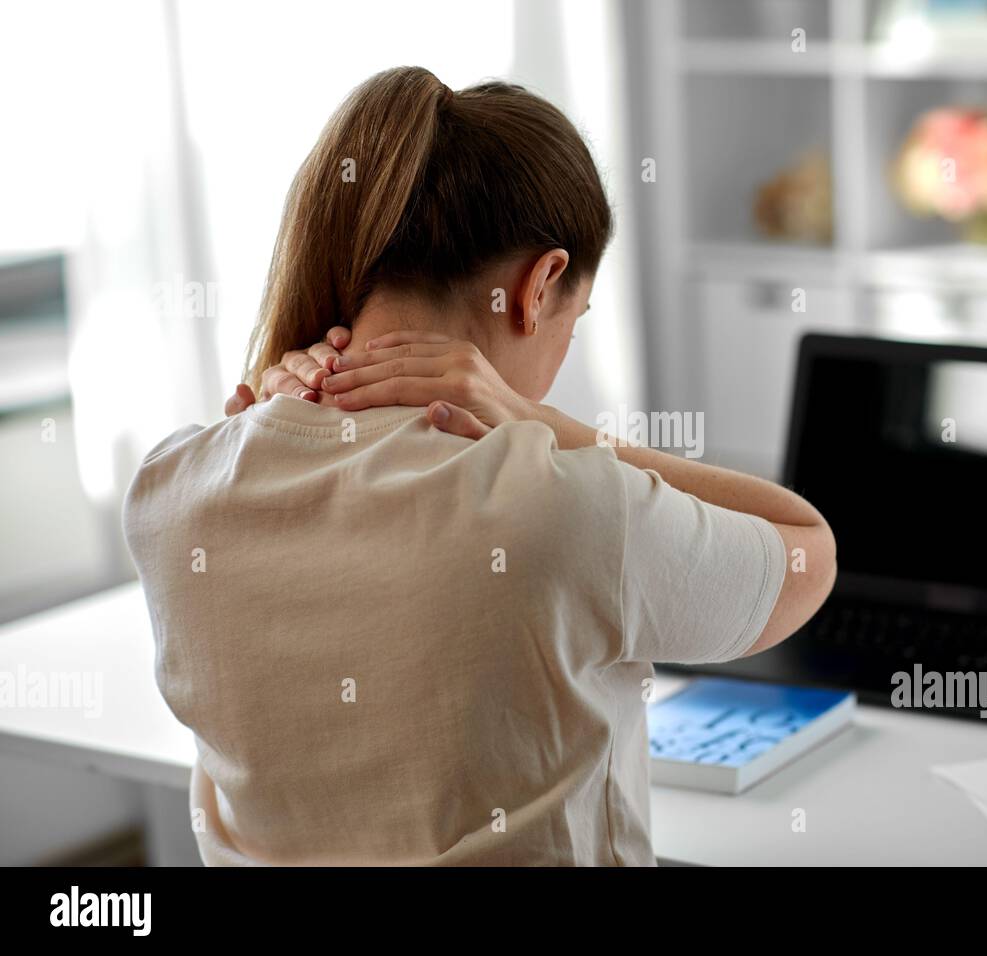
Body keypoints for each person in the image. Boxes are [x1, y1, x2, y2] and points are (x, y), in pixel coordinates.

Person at [124, 66, 835, 866]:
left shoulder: (172, 487)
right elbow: (805, 548)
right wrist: (546, 424)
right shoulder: (568, 504)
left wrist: (258, 421)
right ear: (540, 287)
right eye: (578, 318)